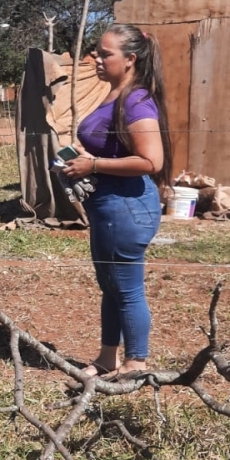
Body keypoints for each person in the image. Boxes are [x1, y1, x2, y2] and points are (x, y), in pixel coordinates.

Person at [62, 24, 171, 378]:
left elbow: (152, 161)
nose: (96, 58)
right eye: (97, 51)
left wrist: (92, 164)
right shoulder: (114, 94)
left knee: (126, 288)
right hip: (108, 207)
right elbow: (112, 146)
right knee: (110, 286)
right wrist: (83, 154)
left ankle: (136, 362)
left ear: (130, 60)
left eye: (106, 53)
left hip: (126, 209)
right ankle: (107, 358)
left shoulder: (137, 101)